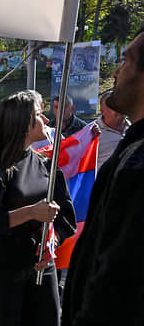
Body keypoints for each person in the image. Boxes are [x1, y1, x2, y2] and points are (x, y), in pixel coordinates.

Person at [0, 91, 76, 325]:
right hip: (3, 272)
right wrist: (30, 212)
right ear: (22, 123)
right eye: (39, 114)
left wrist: (51, 243)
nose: (47, 120)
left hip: (43, 267)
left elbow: (66, 218)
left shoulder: (46, 165)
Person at [62, 31, 144, 326]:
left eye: (126, 60)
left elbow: (120, 281)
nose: (116, 71)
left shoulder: (138, 162)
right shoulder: (132, 147)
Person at [94, 89, 130, 170]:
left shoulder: (135, 128)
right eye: (112, 106)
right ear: (102, 111)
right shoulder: (91, 133)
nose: (119, 108)